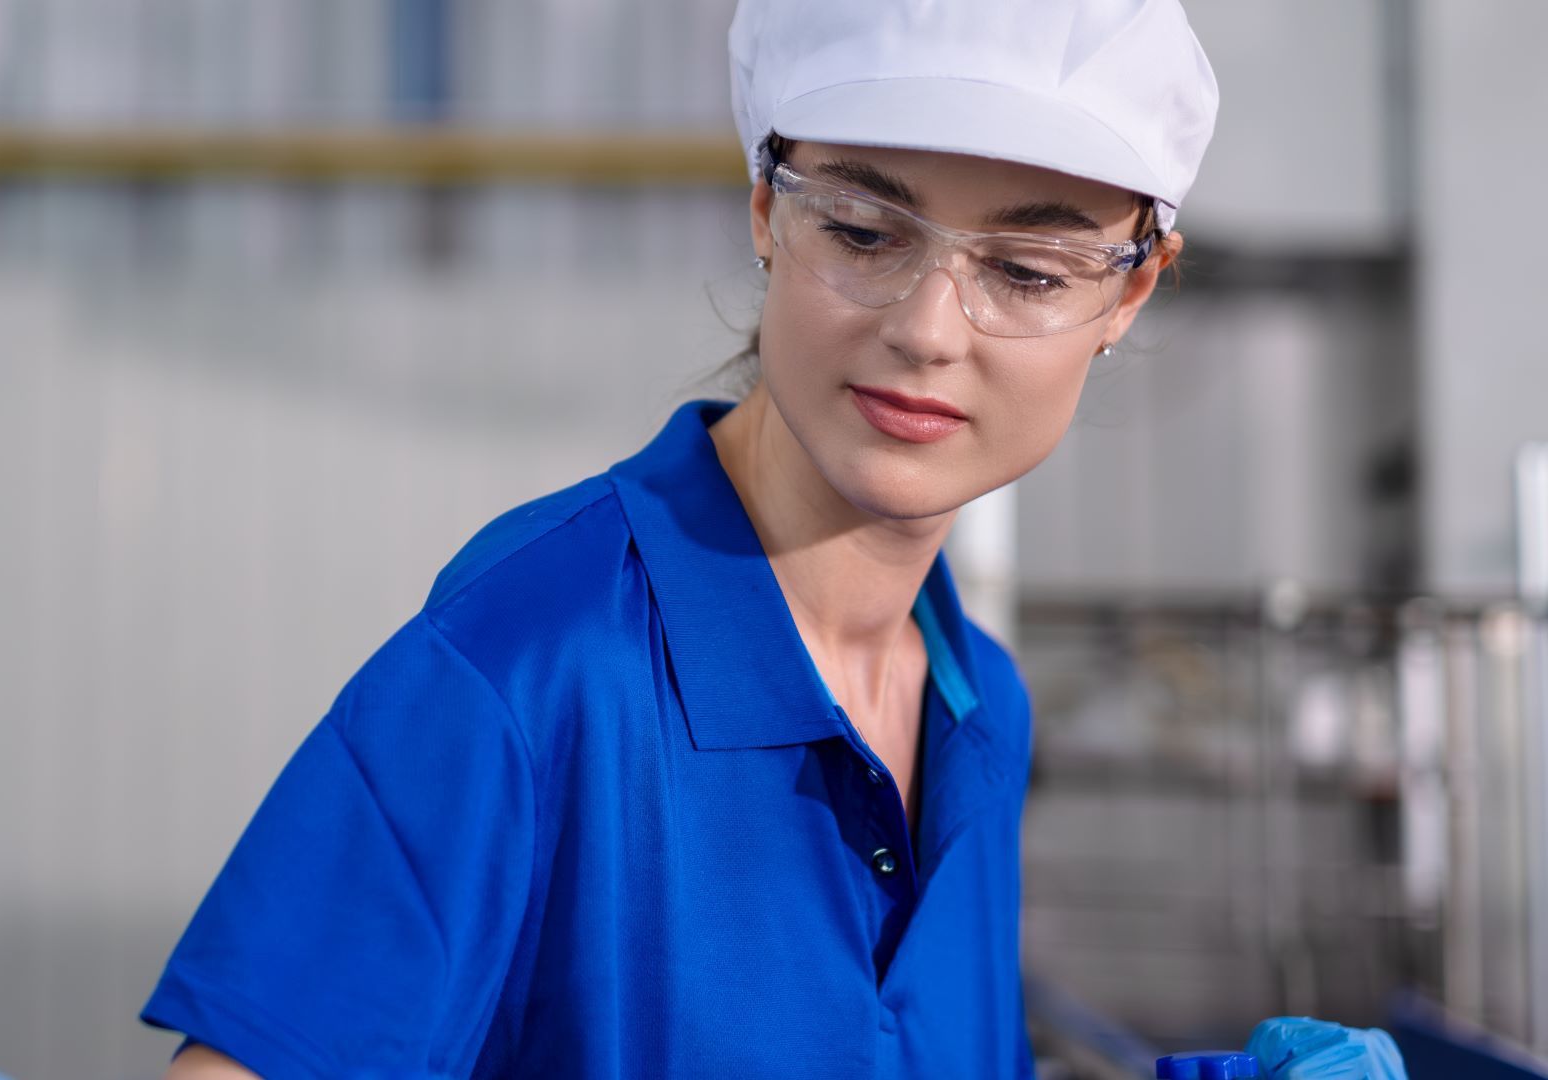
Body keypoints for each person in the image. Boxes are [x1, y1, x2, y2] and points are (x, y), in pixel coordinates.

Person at [143, 1, 1405, 1076]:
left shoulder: (977, 711)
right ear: (764, 205)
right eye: (863, 229)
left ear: (1129, 289)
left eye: (1027, 269)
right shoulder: (534, 669)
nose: (929, 328)